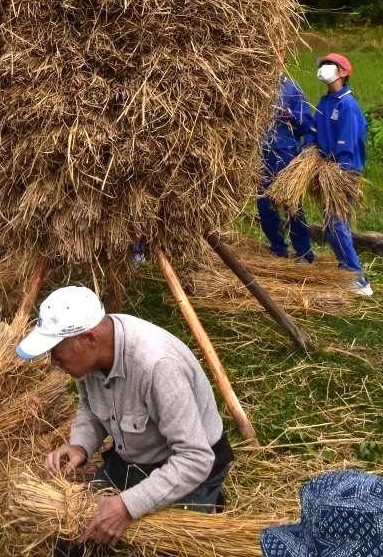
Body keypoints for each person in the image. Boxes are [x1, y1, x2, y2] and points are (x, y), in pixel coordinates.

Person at [17, 286, 233, 554]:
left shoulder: (157, 366)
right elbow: (89, 405)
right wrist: (80, 445)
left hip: (191, 468)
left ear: (89, 339)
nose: (53, 360)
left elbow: (195, 458)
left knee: (158, 550)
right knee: (72, 541)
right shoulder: (90, 358)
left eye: (56, 349)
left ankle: (205, 499)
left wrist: (127, 506)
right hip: (132, 462)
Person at [311, 53, 372, 296]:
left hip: (343, 171)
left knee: (335, 223)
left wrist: (339, 169)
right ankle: (345, 268)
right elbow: (317, 130)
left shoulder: (347, 104)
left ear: (343, 73)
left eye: (330, 65)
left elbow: (348, 141)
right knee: (334, 223)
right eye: (322, 64)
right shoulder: (326, 101)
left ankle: (358, 278)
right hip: (327, 167)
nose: (324, 68)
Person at [257, 73, 316, 261]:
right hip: (261, 153)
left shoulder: (291, 88)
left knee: (291, 204)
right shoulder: (255, 82)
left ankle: (304, 252)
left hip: (285, 152)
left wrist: (291, 116)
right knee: (264, 204)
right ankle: (278, 248)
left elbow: (306, 125)